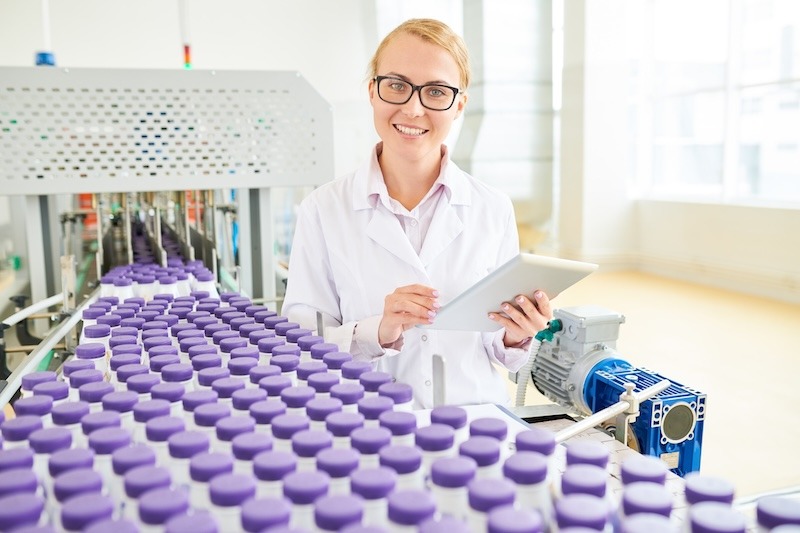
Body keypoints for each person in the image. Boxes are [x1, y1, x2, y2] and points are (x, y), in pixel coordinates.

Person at [282, 18, 552, 408]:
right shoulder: (323, 210)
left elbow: (499, 350)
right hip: (364, 422)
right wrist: (380, 329)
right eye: (396, 85)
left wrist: (517, 333)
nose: (413, 108)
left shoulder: (492, 208)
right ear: (372, 91)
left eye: (436, 92)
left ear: (459, 104)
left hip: (472, 422)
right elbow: (301, 340)